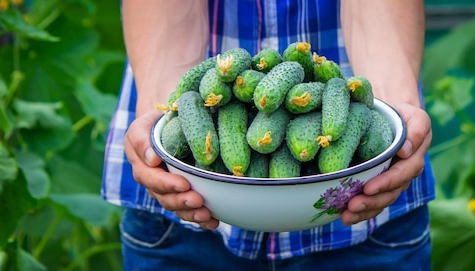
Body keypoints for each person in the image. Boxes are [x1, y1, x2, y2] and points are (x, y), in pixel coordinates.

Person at [101, 0, 436, 270]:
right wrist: (168, 120)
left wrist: (395, 114)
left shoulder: (330, 94)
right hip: (178, 225)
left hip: (370, 222)